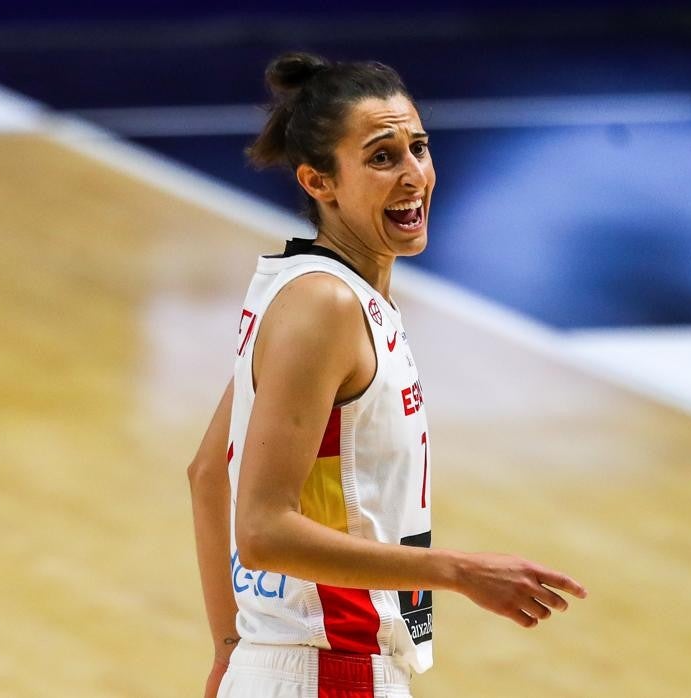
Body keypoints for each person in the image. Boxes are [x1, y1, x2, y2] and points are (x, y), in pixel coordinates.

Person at [186, 51, 588, 698]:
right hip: (327, 671)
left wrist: (231, 649)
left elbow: (209, 475)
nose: (412, 175)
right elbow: (261, 528)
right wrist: (456, 571)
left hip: (304, 670)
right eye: (381, 157)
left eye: (418, 149)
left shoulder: (311, 290)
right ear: (320, 183)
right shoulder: (326, 305)